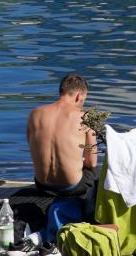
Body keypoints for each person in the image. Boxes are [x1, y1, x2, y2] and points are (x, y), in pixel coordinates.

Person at [28, 74, 99, 202]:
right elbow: (91, 162)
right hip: (72, 188)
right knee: (99, 171)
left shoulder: (35, 113)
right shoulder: (85, 118)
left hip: (42, 185)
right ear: (79, 96)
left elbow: (34, 148)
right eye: (84, 100)